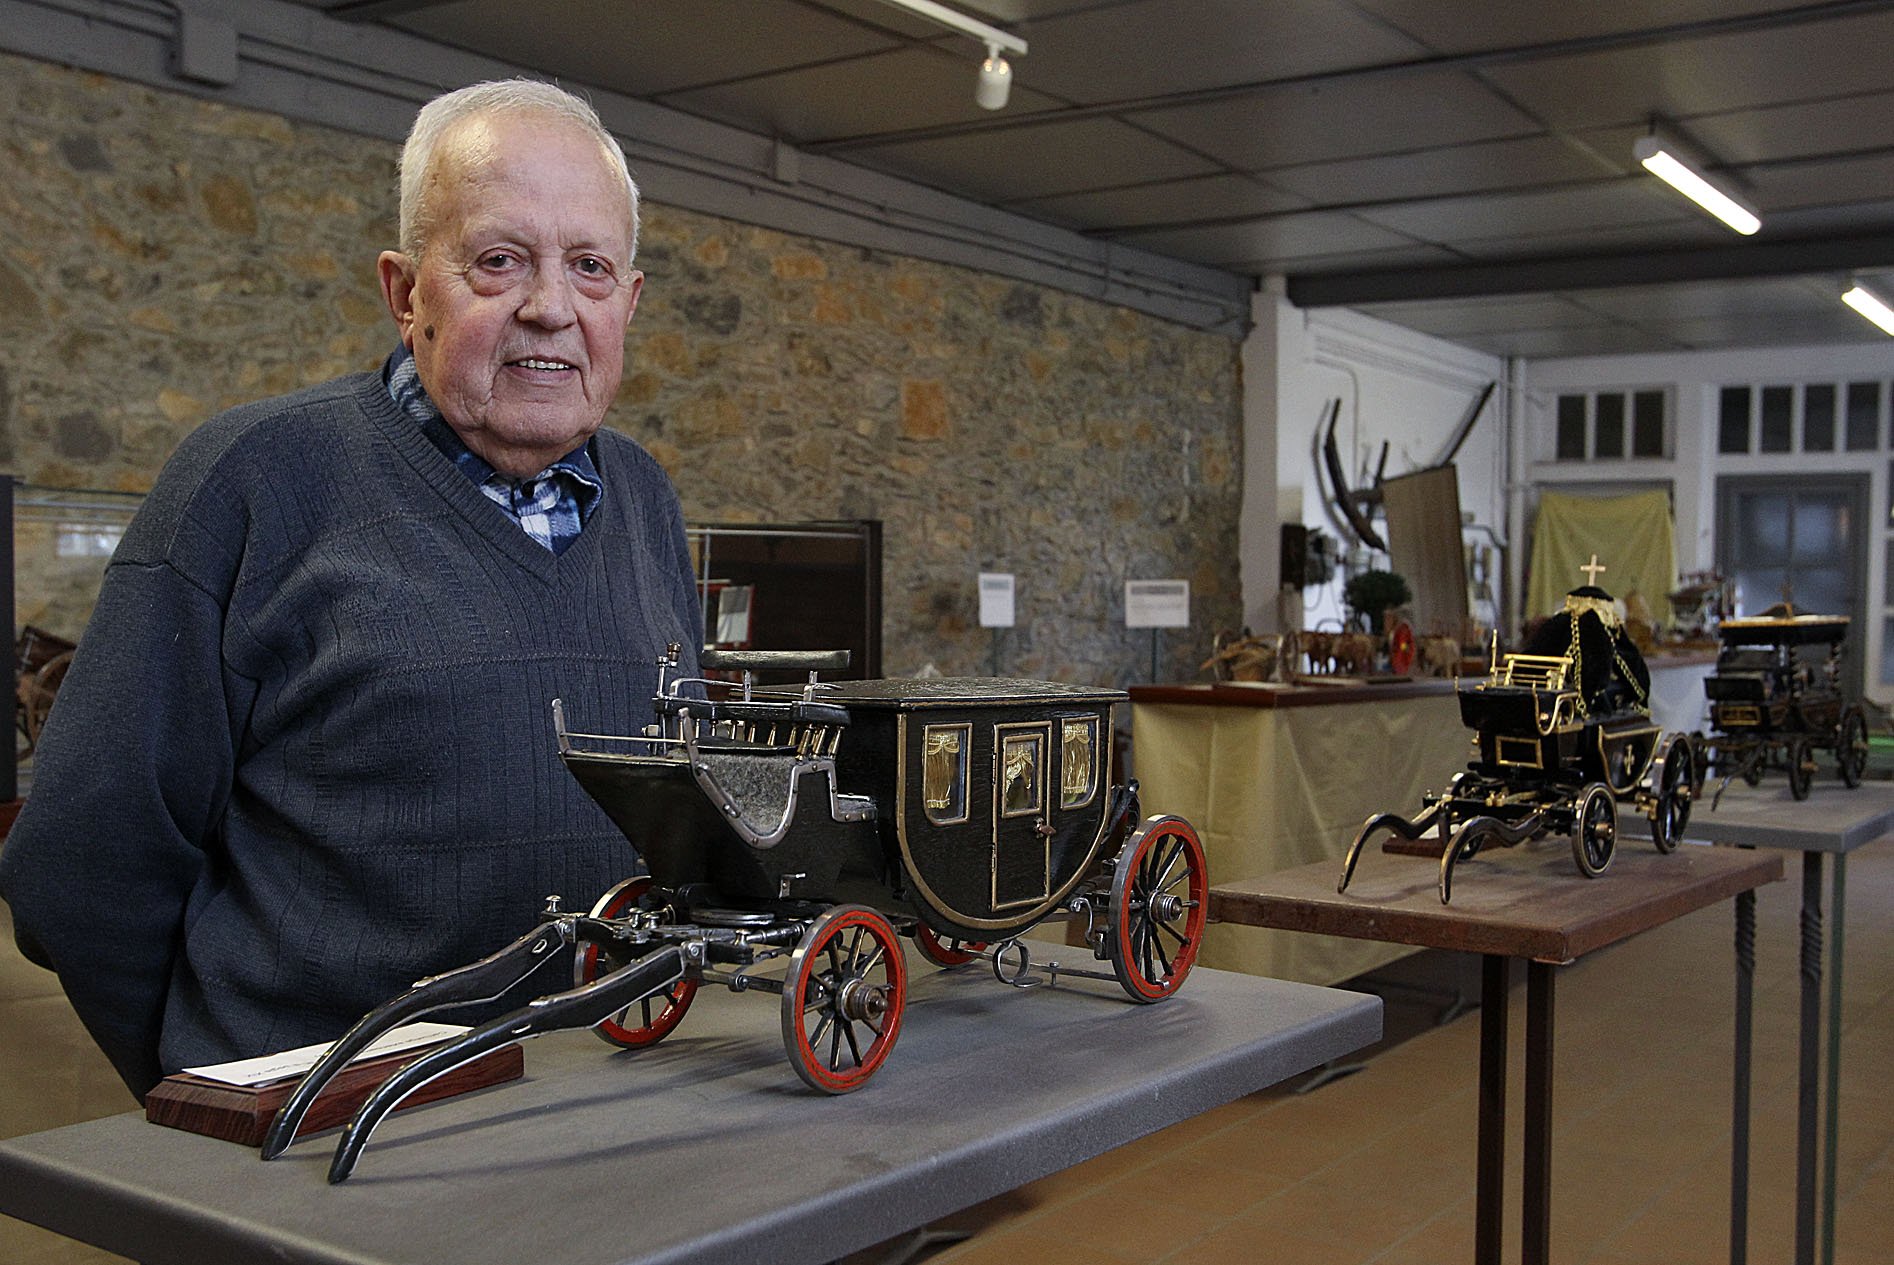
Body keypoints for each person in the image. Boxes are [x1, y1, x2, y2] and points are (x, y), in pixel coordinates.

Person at [0, 80, 703, 1101]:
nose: (550, 306)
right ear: (406, 290)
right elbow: (79, 860)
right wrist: (220, 1090)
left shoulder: (644, 498)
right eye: (498, 260)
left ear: (627, 303)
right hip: (323, 1148)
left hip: (601, 1116)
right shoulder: (250, 480)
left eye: (588, 267)